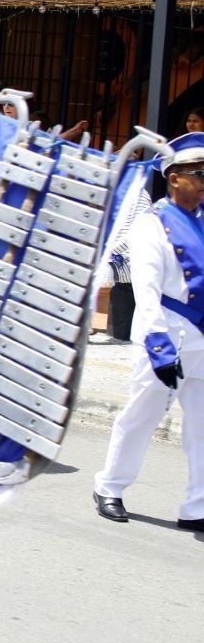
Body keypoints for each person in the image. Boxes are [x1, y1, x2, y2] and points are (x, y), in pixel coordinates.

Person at [92, 131, 204, 530]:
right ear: (174, 177)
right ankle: (110, 486)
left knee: (202, 424)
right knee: (142, 413)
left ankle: (197, 506)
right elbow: (147, 287)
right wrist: (158, 342)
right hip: (168, 331)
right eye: (200, 172)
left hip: (202, 336)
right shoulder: (152, 223)